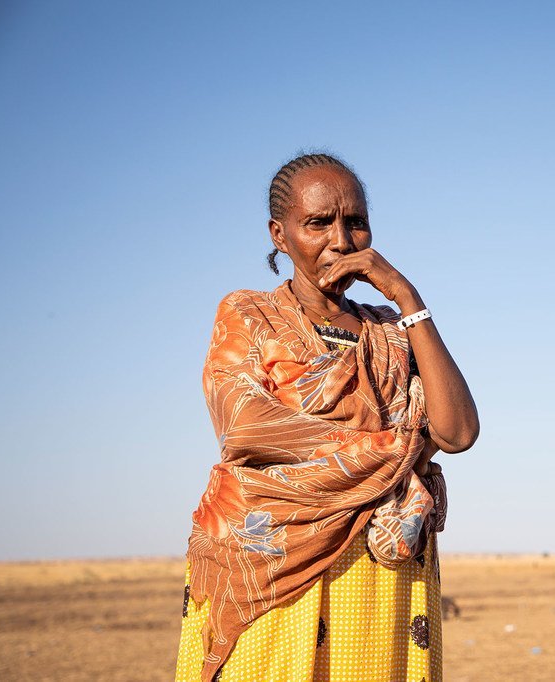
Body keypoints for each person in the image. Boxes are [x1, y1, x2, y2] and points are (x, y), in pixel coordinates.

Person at [174, 152, 479, 681]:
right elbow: (246, 426)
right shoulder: (248, 313)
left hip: (378, 574)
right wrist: (399, 445)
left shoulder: (395, 329)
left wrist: (407, 296)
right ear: (280, 233)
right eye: (318, 223)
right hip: (271, 569)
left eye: (355, 222)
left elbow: (457, 431)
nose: (341, 240)